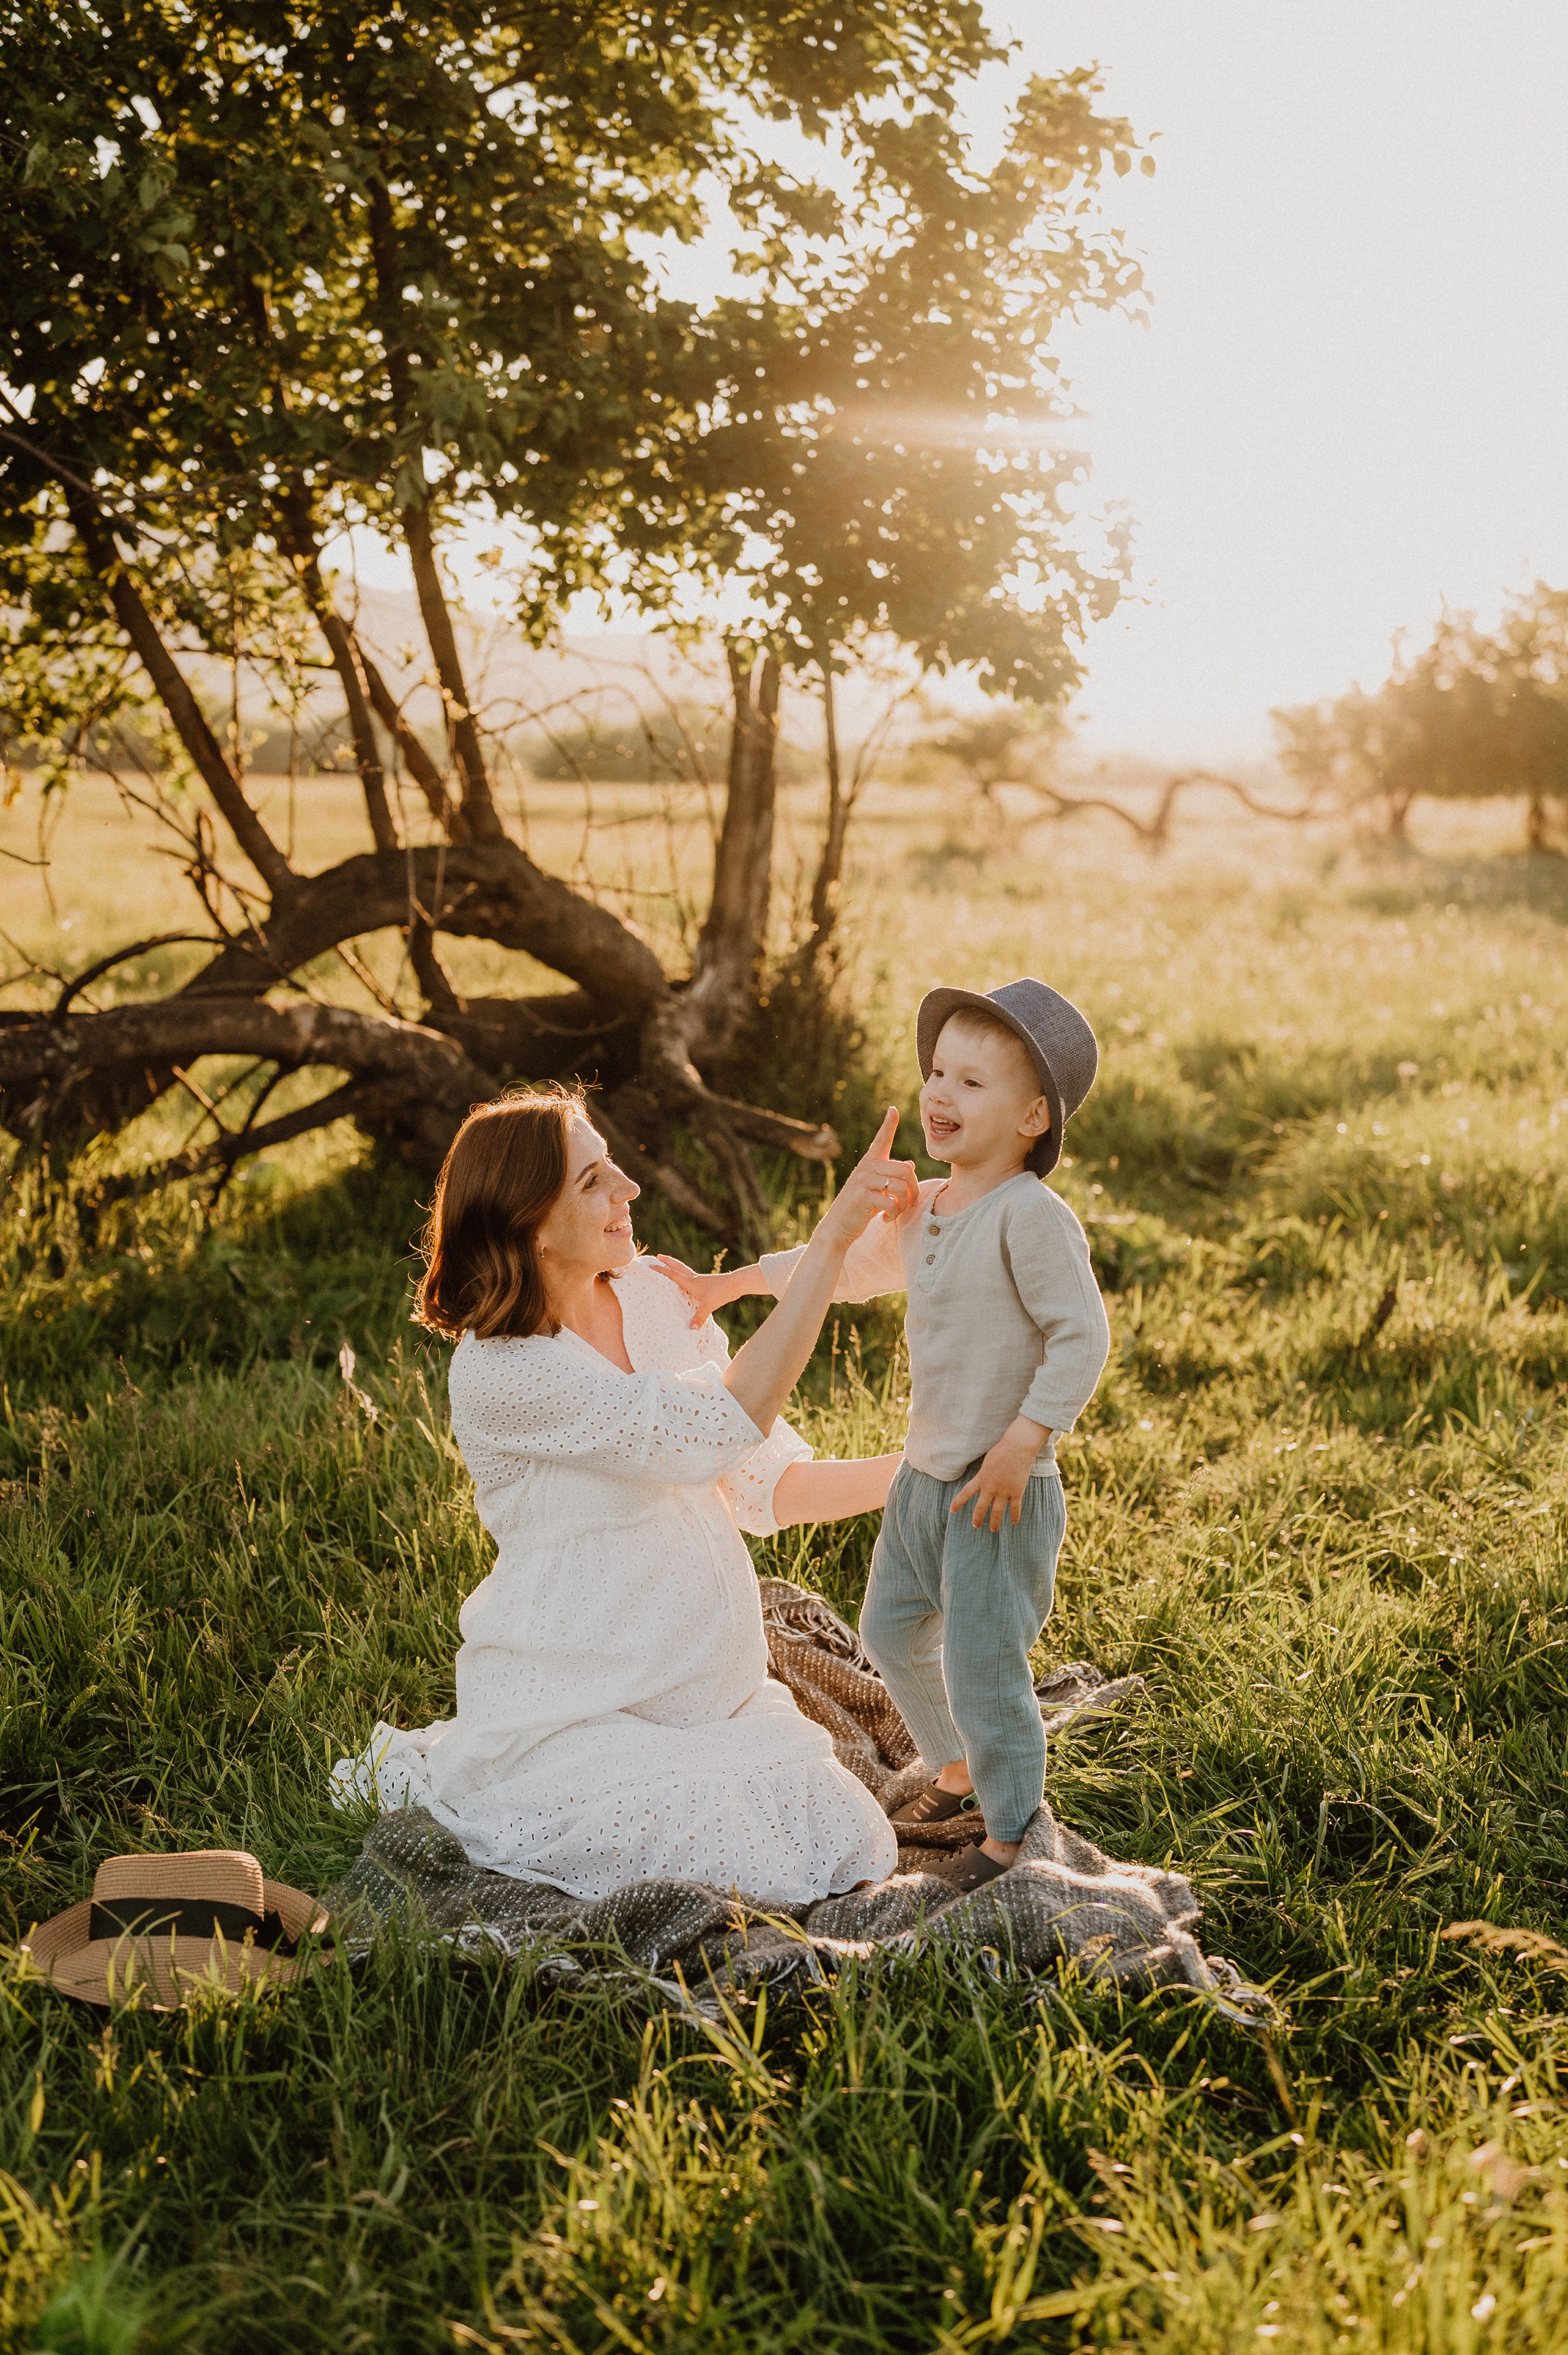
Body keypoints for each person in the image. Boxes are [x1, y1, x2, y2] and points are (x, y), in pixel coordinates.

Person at [331, 1089, 919, 1905]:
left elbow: (763, 1481)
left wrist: (928, 1468)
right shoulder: (503, 1372)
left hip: (718, 1695)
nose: (629, 1189)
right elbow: (717, 1424)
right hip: (583, 1701)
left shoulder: (654, 1297)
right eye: (593, 1181)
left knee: (844, 1837)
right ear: (529, 1223)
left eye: (614, 1166)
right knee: (732, 1860)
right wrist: (828, 1247)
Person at [656, 980, 1110, 1894]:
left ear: (1032, 1118)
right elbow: (840, 1271)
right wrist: (728, 1286)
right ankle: (956, 1766)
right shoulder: (926, 1209)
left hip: (997, 1484)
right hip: (926, 1474)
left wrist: (1026, 1440)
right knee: (891, 1631)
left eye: (973, 1084)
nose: (941, 1094)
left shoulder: (1030, 1217)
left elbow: (1082, 1335)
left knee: (985, 1661)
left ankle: (1014, 1832)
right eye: (938, 1072)